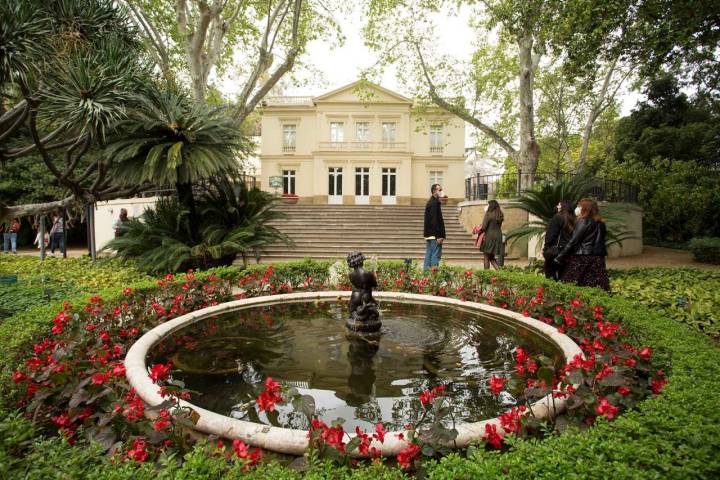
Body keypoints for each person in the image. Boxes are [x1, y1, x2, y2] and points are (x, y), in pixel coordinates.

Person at [555, 198, 610, 291]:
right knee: (596, 285)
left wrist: (560, 256)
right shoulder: (601, 223)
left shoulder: (583, 221)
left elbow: (573, 241)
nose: (577, 208)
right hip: (598, 258)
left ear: (585, 208)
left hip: (582, 258)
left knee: (570, 283)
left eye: (579, 206)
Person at [543, 200, 576, 280]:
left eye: (559, 205)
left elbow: (551, 235)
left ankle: (553, 292)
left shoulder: (557, 217)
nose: (557, 206)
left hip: (555, 252)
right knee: (565, 277)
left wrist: (546, 248)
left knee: (550, 275)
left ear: (563, 207)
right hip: (569, 252)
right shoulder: (574, 219)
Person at [423, 183, 446, 271]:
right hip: (434, 235)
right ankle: (434, 276)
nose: (441, 191)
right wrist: (439, 236)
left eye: (441, 189)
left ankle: (426, 276)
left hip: (430, 234)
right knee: (435, 255)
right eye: (439, 190)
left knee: (429, 254)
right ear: (434, 191)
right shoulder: (434, 203)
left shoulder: (432, 202)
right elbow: (434, 221)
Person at [479, 200, 504, 270]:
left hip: (489, 236)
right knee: (491, 257)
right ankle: (500, 273)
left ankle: (486, 275)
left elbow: (484, 227)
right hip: (498, 236)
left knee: (486, 256)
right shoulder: (500, 214)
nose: (487, 206)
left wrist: (478, 229)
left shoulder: (488, 213)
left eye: (488, 205)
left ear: (491, 206)